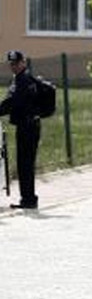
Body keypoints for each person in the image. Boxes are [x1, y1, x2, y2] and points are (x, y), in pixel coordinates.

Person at [0, 50, 41, 209]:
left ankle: (29, 200)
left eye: (16, 63)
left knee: (25, 164)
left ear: (23, 62)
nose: (13, 66)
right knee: (26, 163)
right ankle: (28, 198)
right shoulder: (26, 78)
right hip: (30, 125)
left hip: (27, 127)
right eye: (11, 64)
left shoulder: (22, 80)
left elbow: (11, 102)